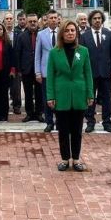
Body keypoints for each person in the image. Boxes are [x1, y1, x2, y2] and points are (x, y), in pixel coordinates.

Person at [46, 20, 94, 172]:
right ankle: (65, 159)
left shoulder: (83, 51)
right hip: (61, 95)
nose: (70, 33)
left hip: (79, 94)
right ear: (62, 33)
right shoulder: (54, 52)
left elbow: (88, 74)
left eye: (73, 30)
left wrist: (90, 93)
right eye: (67, 31)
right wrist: (50, 96)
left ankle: (77, 159)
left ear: (76, 32)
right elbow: (51, 76)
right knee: (63, 130)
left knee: (77, 130)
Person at [80, 9, 111, 133]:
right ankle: (90, 121)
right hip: (90, 73)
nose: (97, 20)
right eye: (94, 18)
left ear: (102, 20)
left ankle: (107, 122)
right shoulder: (84, 36)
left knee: (106, 98)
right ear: (90, 21)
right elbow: (81, 55)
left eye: (99, 18)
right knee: (90, 98)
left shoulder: (109, 34)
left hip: (105, 72)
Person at [35, 10, 59, 132]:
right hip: (45, 72)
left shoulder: (63, 33)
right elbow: (37, 55)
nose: (54, 20)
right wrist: (37, 72)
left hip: (60, 72)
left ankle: (59, 121)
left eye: (55, 17)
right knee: (47, 98)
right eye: (51, 18)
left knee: (60, 97)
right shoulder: (41, 34)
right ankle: (49, 122)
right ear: (47, 19)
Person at [15, 13, 42, 123]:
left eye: (34, 21)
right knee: (28, 93)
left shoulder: (42, 34)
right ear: (27, 22)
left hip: (39, 69)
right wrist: (19, 69)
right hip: (26, 69)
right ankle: (29, 113)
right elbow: (17, 53)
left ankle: (39, 113)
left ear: (37, 22)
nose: (32, 23)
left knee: (40, 92)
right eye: (30, 21)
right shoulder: (21, 36)